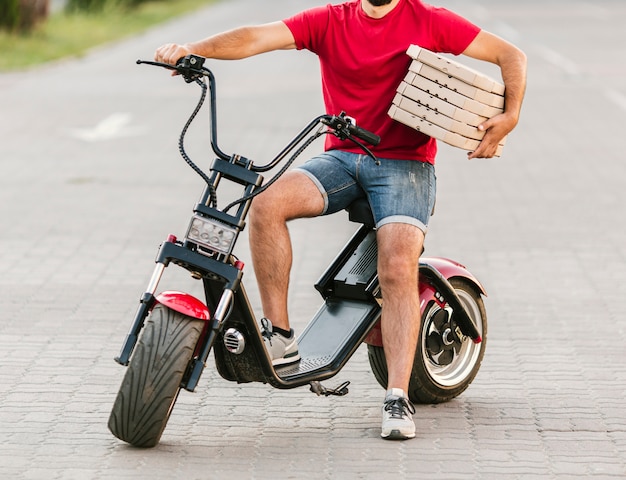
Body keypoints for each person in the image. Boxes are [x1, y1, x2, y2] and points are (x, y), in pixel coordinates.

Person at [155, 0, 527, 440]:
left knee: (396, 266)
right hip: (343, 157)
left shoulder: (429, 20)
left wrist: (510, 115)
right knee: (266, 203)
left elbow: (511, 56)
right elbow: (257, 37)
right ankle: (281, 335)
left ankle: (397, 396)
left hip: (405, 164)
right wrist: (192, 49)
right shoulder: (329, 20)